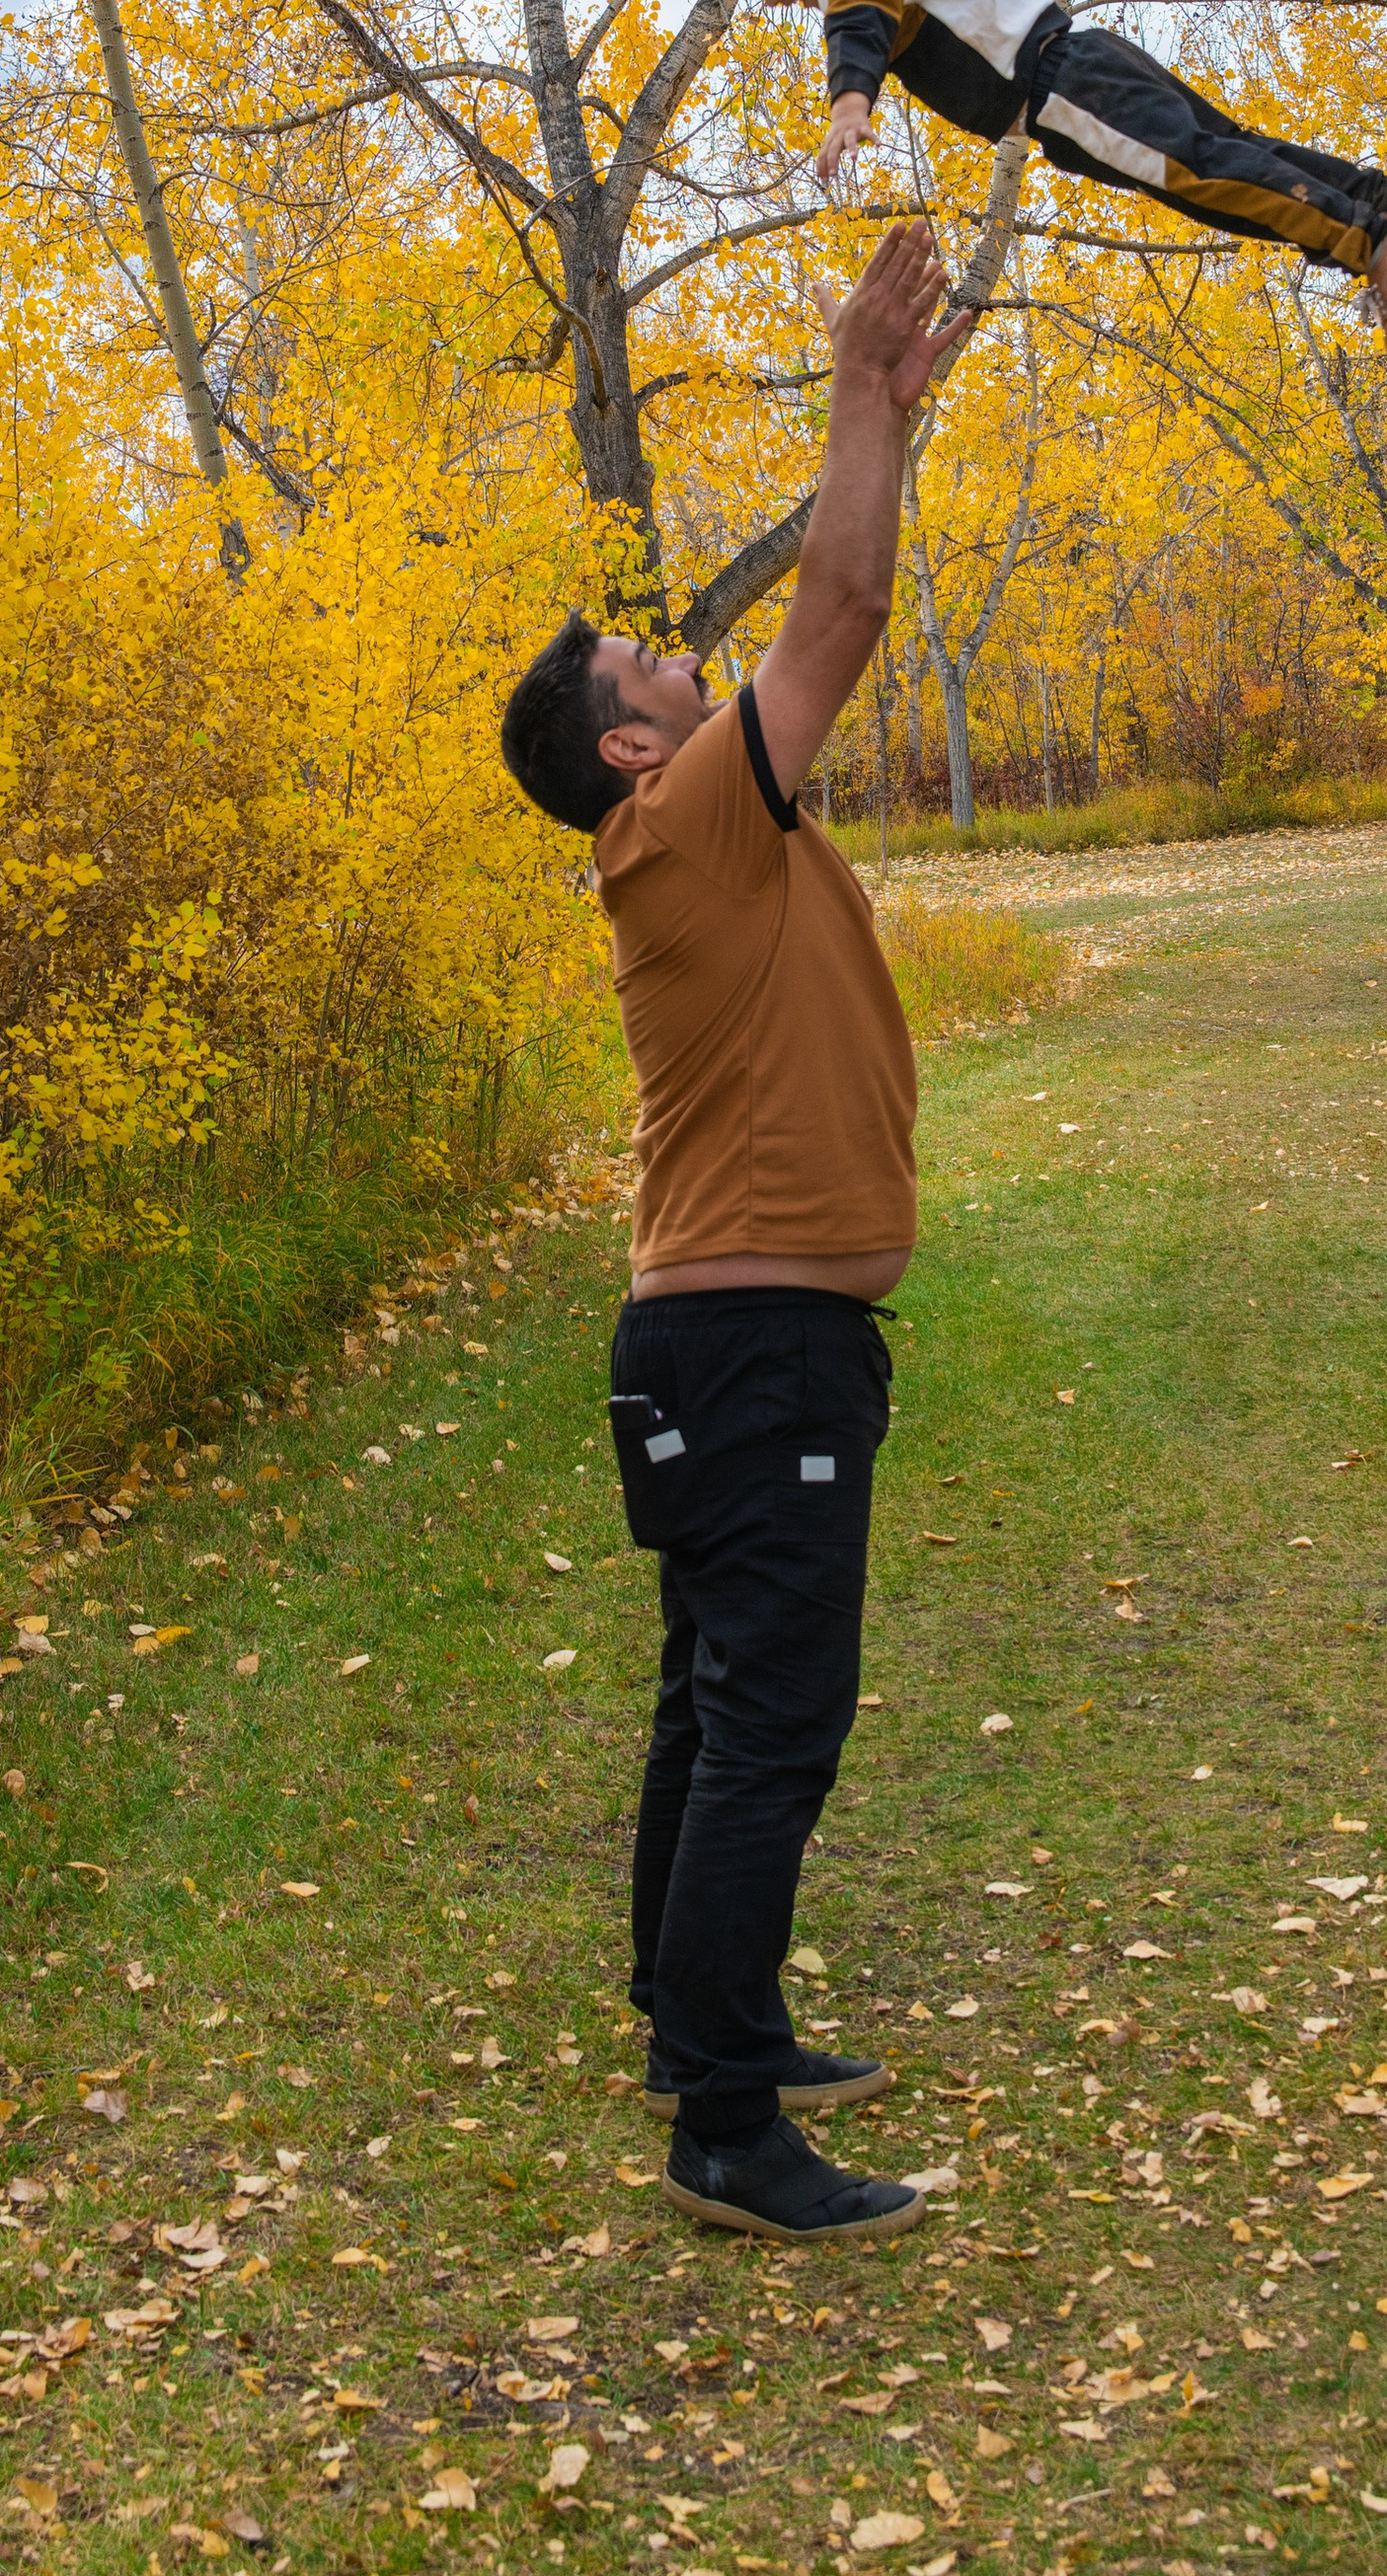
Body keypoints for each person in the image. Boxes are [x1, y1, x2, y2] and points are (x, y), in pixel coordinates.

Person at [498, 222, 969, 2249]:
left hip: (731, 1345)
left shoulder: (686, 820)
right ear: (631, 742)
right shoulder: (686, 806)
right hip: (747, 1347)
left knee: (713, 1706)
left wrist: (884, 426)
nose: (680, 658)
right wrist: (855, 395)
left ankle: (707, 2023)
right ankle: (719, 2129)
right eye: (647, 668)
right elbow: (842, 600)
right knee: (771, 1717)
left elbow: (832, 587)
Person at [698, 0, 1387, 363]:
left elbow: (857, 20)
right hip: (1082, 57)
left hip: (1058, 86)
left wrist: (848, 103)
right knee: (1227, 154)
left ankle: (1377, 242)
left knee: (1204, 177)